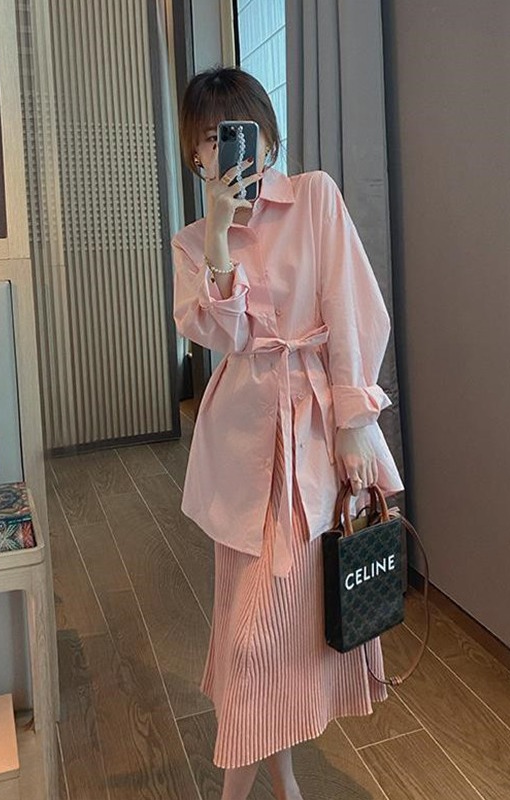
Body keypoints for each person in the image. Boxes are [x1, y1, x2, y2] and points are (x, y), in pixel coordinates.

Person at [172, 66, 404, 800]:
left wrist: (355, 420)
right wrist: (219, 237)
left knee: (265, 639)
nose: (229, 148)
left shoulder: (315, 197)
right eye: (211, 138)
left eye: (240, 131)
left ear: (268, 137)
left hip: (315, 442)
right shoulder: (191, 244)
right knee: (247, 631)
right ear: (195, 155)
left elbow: (353, 309)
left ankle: (244, 789)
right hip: (243, 451)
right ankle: (284, 780)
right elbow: (224, 336)